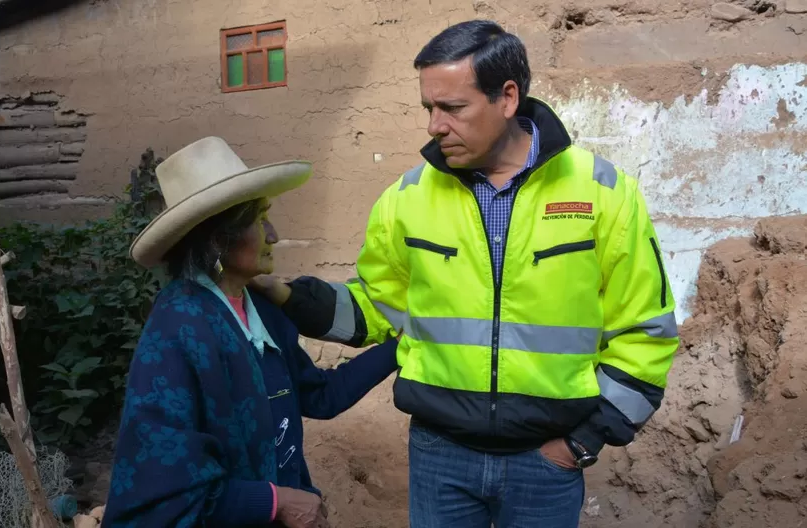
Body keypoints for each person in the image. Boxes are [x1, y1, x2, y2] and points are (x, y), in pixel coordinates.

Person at [250, 19, 680, 528]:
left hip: (546, 462)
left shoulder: (604, 193)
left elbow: (646, 332)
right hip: (439, 455)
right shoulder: (406, 200)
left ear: (508, 97)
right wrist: (290, 297)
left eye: (452, 108)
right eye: (428, 108)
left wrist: (580, 443)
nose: (434, 125)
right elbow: (378, 309)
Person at [101, 136, 400, 528]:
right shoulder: (178, 329)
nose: (273, 235)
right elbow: (167, 487)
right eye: (260, 220)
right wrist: (275, 501)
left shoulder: (260, 311)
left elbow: (320, 396)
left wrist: (403, 345)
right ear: (217, 239)